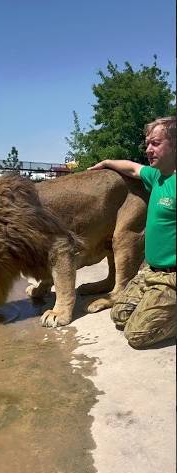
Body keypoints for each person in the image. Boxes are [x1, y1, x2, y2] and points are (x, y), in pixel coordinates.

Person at [88, 116, 176, 348]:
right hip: (151, 272)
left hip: (172, 277)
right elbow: (133, 168)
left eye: (155, 143)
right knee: (119, 314)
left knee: (137, 335)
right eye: (147, 144)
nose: (148, 149)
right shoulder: (158, 176)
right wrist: (107, 162)